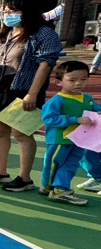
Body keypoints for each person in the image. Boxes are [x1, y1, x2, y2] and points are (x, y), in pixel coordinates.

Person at [0, 0, 62, 192]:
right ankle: (0, 172)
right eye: (5, 11)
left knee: (21, 133)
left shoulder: (43, 34)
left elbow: (45, 64)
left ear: (27, 12)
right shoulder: (2, 34)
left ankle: (24, 178)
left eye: (13, 11)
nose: (8, 15)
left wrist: (32, 93)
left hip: (22, 87)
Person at [39, 61, 98, 205]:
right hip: (60, 139)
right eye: (72, 80)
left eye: (83, 79)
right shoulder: (57, 100)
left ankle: (60, 188)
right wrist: (75, 119)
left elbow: (97, 111)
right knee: (54, 163)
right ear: (58, 82)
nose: (78, 83)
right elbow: (48, 118)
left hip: (80, 140)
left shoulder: (87, 98)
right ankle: (48, 185)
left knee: (71, 164)